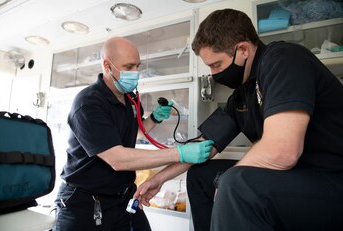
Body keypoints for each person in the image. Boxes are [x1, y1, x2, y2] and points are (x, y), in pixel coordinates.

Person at [134, 8, 343, 231]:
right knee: (200, 176)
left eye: (216, 65)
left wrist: (225, 182)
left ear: (243, 49)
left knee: (236, 184)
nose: (214, 74)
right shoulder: (242, 95)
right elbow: (205, 144)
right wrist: (159, 178)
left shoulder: (283, 59)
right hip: (294, 178)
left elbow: (283, 152)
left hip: (330, 179)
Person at [53, 37, 214, 231]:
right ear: (107, 65)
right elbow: (117, 158)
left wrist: (154, 119)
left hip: (124, 197)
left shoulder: (130, 98)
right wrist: (179, 153)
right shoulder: (88, 103)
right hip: (85, 201)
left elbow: (131, 134)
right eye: (128, 67)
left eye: (137, 66)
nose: (135, 73)